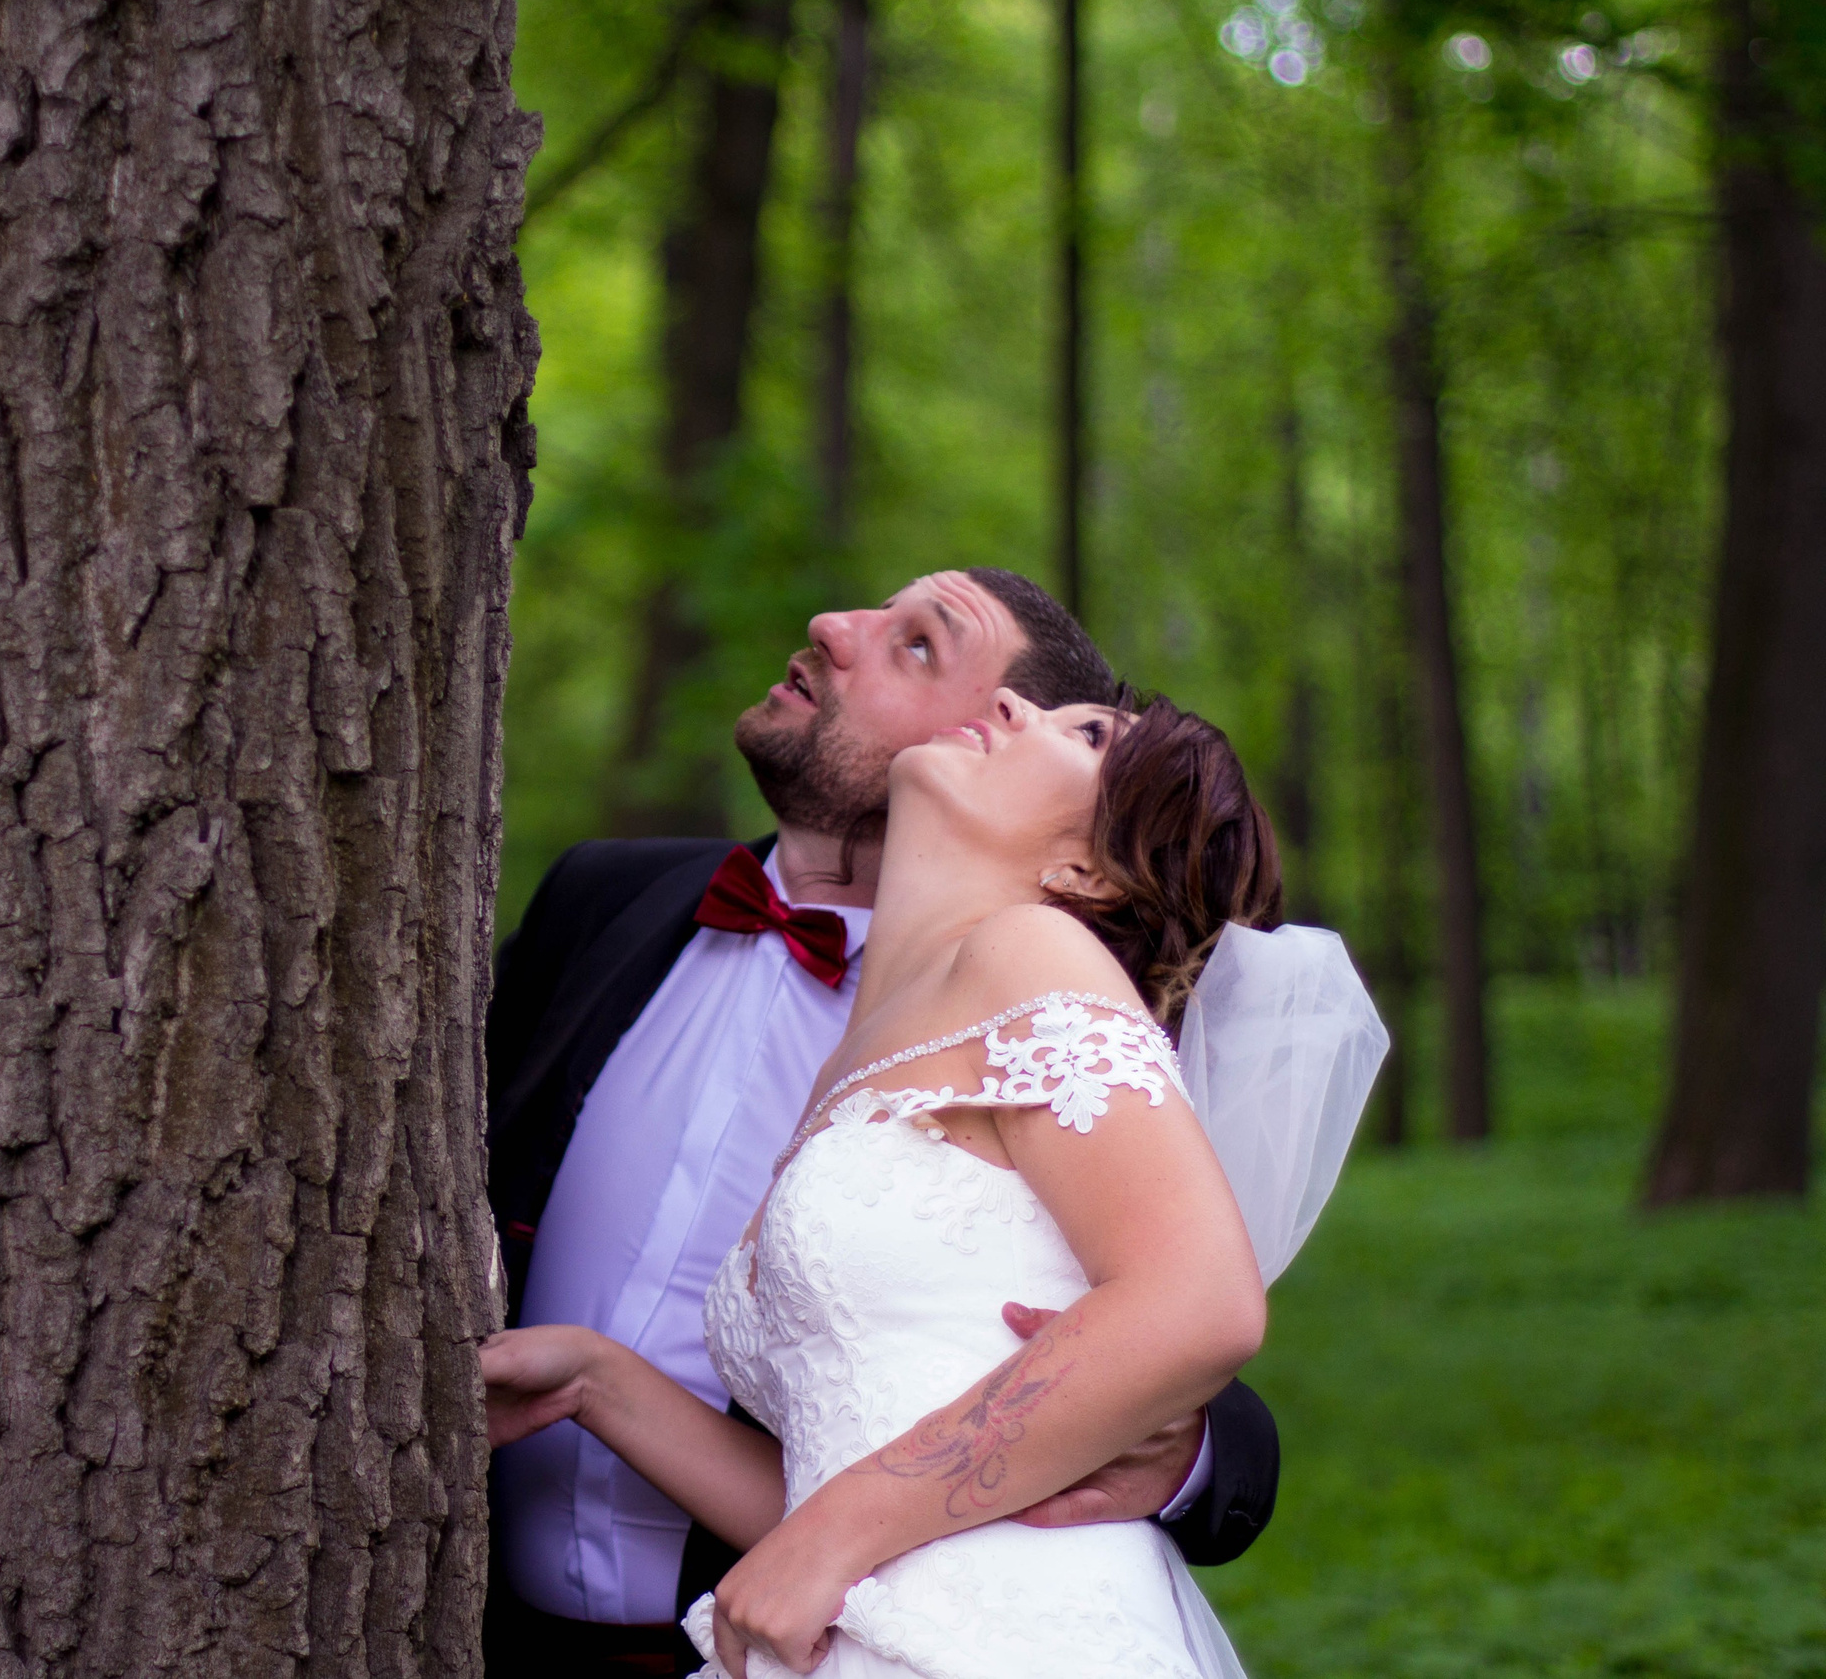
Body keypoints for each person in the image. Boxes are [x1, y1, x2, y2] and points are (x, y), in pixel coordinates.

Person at [483, 571, 1278, 1678]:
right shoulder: (636, 923)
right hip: (772, 1621)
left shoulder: (1034, 962)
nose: (827, 625)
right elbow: (829, 1447)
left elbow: (1194, 1298)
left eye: (919, 644)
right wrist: (592, 1379)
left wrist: (1184, 1443)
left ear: (1082, 868)